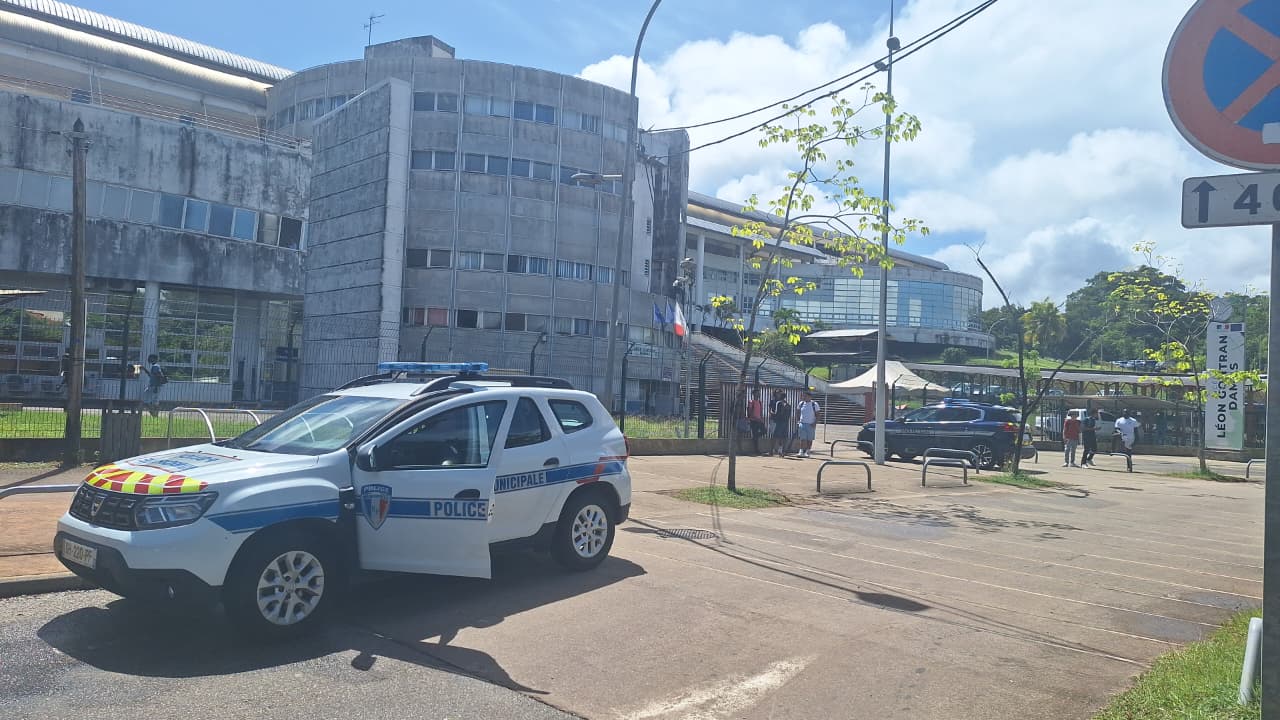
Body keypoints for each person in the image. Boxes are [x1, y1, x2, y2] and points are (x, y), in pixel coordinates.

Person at [794, 391, 822, 458]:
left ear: (810, 397)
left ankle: (807, 451)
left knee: (809, 439)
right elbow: (798, 412)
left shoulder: (814, 404)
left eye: (805, 396)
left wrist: (814, 423)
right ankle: (801, 451)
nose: (804, 397)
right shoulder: (801, 403)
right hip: (802, 423)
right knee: (802, 438)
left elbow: (818, 415)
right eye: (803, 396)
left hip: (811, 424)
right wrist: (798, 421)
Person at [769, 390, 792, 456]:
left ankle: (773, 450)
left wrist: (772, 414)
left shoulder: (778, 403)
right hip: (784, 422)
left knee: (775, 436)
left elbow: (776, 412)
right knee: (781, 436)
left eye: (780, 393)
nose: (778, 394)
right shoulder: (787, 404)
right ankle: (780, 450)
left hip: (778, 421)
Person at [747, 389, 766, 455]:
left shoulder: (760, 402)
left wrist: (761, 418)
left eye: (759, 393)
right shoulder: (751, 402)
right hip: (753, 421)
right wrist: (753, 418)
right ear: (754, 394)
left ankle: (755, 437)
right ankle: (756, 450)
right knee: (755, 435)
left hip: (759, 420)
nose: (758, 394)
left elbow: (761, 411)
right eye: (757, 393)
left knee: (764, 431)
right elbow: (749, 412)